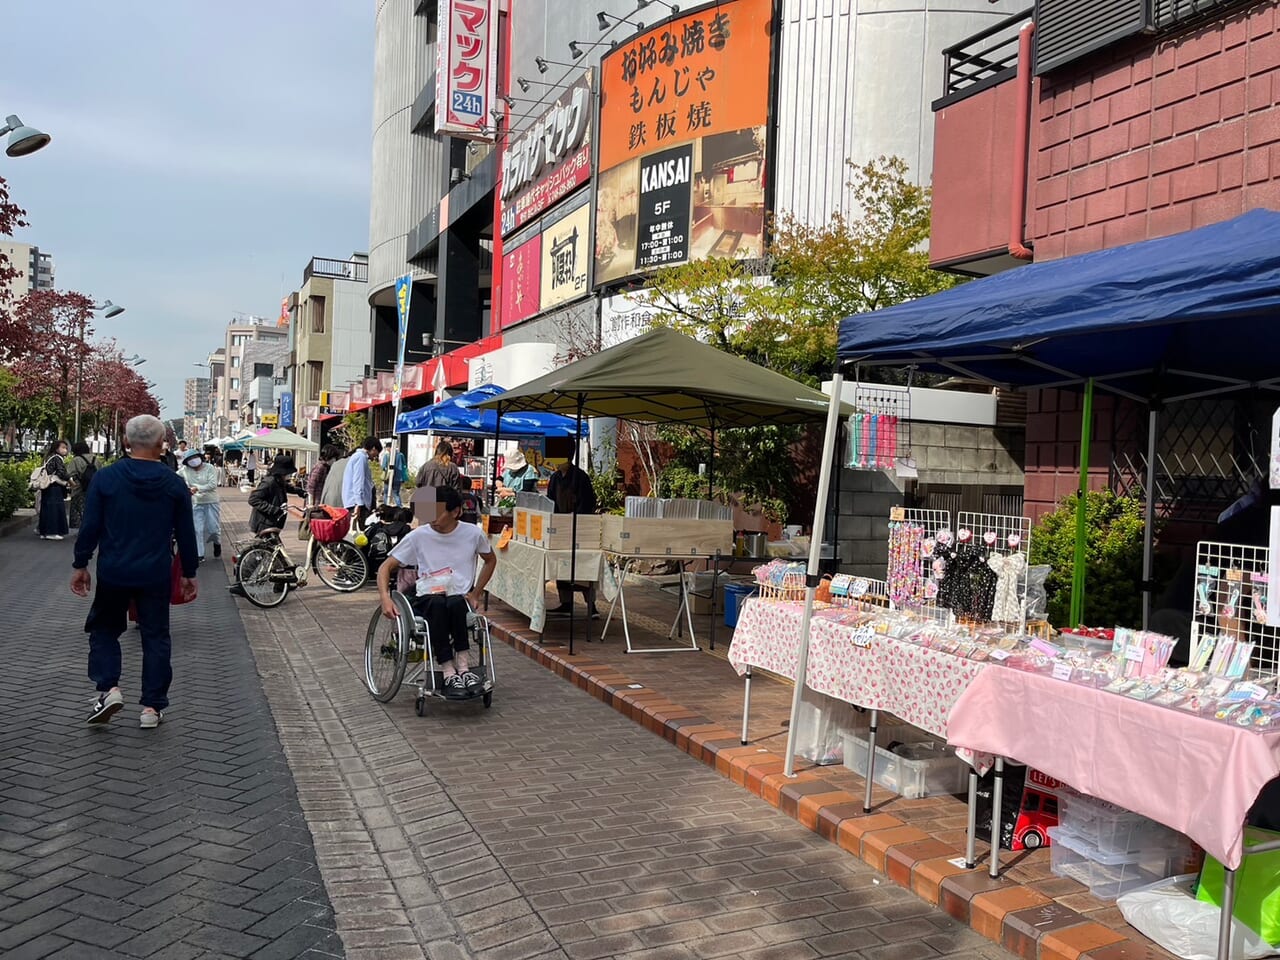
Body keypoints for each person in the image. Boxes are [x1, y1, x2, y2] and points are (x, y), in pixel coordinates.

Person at [71, 414, 198, 728]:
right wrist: (189, 572)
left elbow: (90, 526)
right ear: (161, 444)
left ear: (126, 442)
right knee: (156, 637)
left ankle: (109, 688)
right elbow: (186, 532)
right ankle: (151, 709)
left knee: (104, 630)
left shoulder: (106, 478)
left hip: (114, 570)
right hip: (155, 572)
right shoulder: (174, 483)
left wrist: (80, 563)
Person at [378, 486, 496, 698]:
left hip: (459, 597)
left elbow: (490, 560)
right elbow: (385, 567)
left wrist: (476, 593)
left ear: (456, 511)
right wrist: (386, 598)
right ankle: (449, 670)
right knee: (439, 604)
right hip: (427, 596)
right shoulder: (419, 536)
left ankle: (463, 668)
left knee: (455, 602)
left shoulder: (473, 534)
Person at [546, 451, 599, 617]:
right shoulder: (555, 478)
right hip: (561, 528)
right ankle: (566, 602)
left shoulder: (580, 477)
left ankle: (591, 605)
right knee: (562, 566)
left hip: (580, 528)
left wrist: (576, 516)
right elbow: (550, 502)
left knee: (582, 567)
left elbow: (588, 502)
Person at [179, 448, 222, 562]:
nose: (193, 461)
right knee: (197, 529)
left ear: (200, 457)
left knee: (213, 528)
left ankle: (217, 543)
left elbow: (212, 484)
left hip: (211, 502)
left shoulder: (209, 468)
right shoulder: (185, 470)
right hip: (195, 503)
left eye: (194, 458)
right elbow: (174, 477)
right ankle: (200, 554)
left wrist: (197, 488)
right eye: (190, 459)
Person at [248, 454, 305, 534]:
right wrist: (272, 509)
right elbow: (253, 499)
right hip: (264, 523)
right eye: (288, 473)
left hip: (273, 522)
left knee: (272, 545)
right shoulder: (269, 482)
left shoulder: (279, 481)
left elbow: (288, 487)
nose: (289, 475)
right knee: (269, 545)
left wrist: (300, 491)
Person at [342, 437, 380, 530]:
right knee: (361, 533)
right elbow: (358, 481)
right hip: (357, 503)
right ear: (373, 448)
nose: (375, 457)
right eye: (376, 454)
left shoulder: (357, 456)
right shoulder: (361, 457)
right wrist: (358, 504)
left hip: (354, 501)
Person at [37, 439, 71, 540]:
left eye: (66, 448)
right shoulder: (57, 458)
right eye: (63, 448)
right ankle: (52, 532)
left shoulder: (48, 457)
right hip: (54, 487)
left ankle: (43, 532)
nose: (65, 450)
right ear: (56, 448)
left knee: (46, 509)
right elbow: (61, 473)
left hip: (46, 487)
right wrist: (71, 481)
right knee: (54, 509)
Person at [67, 440, 100, 529]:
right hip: (94, 488)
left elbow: (69, 474)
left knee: (79, 508)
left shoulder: (76, 460)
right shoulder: (95, 459)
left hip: (79, 488)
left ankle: (81, 527)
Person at [380, 441, 407, 508]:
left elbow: (383, 466)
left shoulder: (387, 456)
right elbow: (404, 465)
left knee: (386, 493)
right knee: (396, 494)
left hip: (388, 477)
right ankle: (400, 507)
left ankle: (386, 507)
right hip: (398, 478)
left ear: (388, 448)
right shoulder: (401, 455)